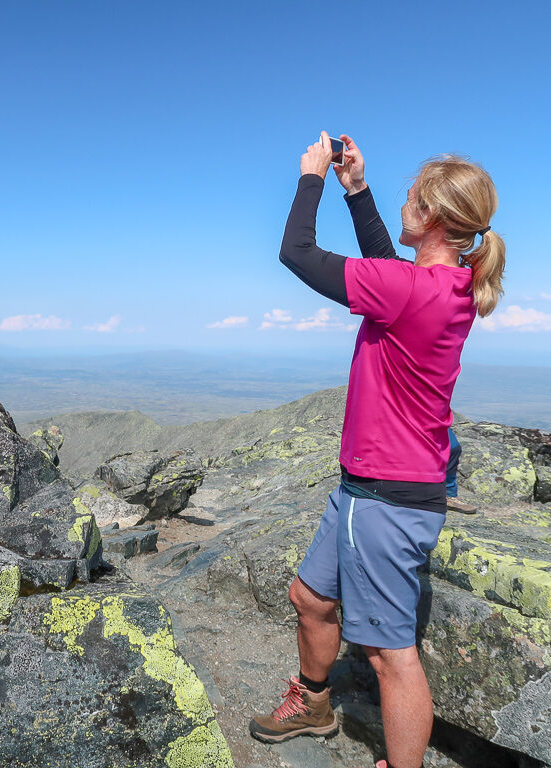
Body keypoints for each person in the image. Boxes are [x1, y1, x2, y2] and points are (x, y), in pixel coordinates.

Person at [249, 132, 505, 768]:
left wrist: (311, 177)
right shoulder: (441, 285)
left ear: (436, 218)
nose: (404, 202)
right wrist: (356, 189)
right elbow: (390, 266)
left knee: (392, 657)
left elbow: (297, 252)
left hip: (386, 501)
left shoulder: (408, 290)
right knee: (309, 598)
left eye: (412, 198)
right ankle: (312, 702)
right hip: (366, 489)